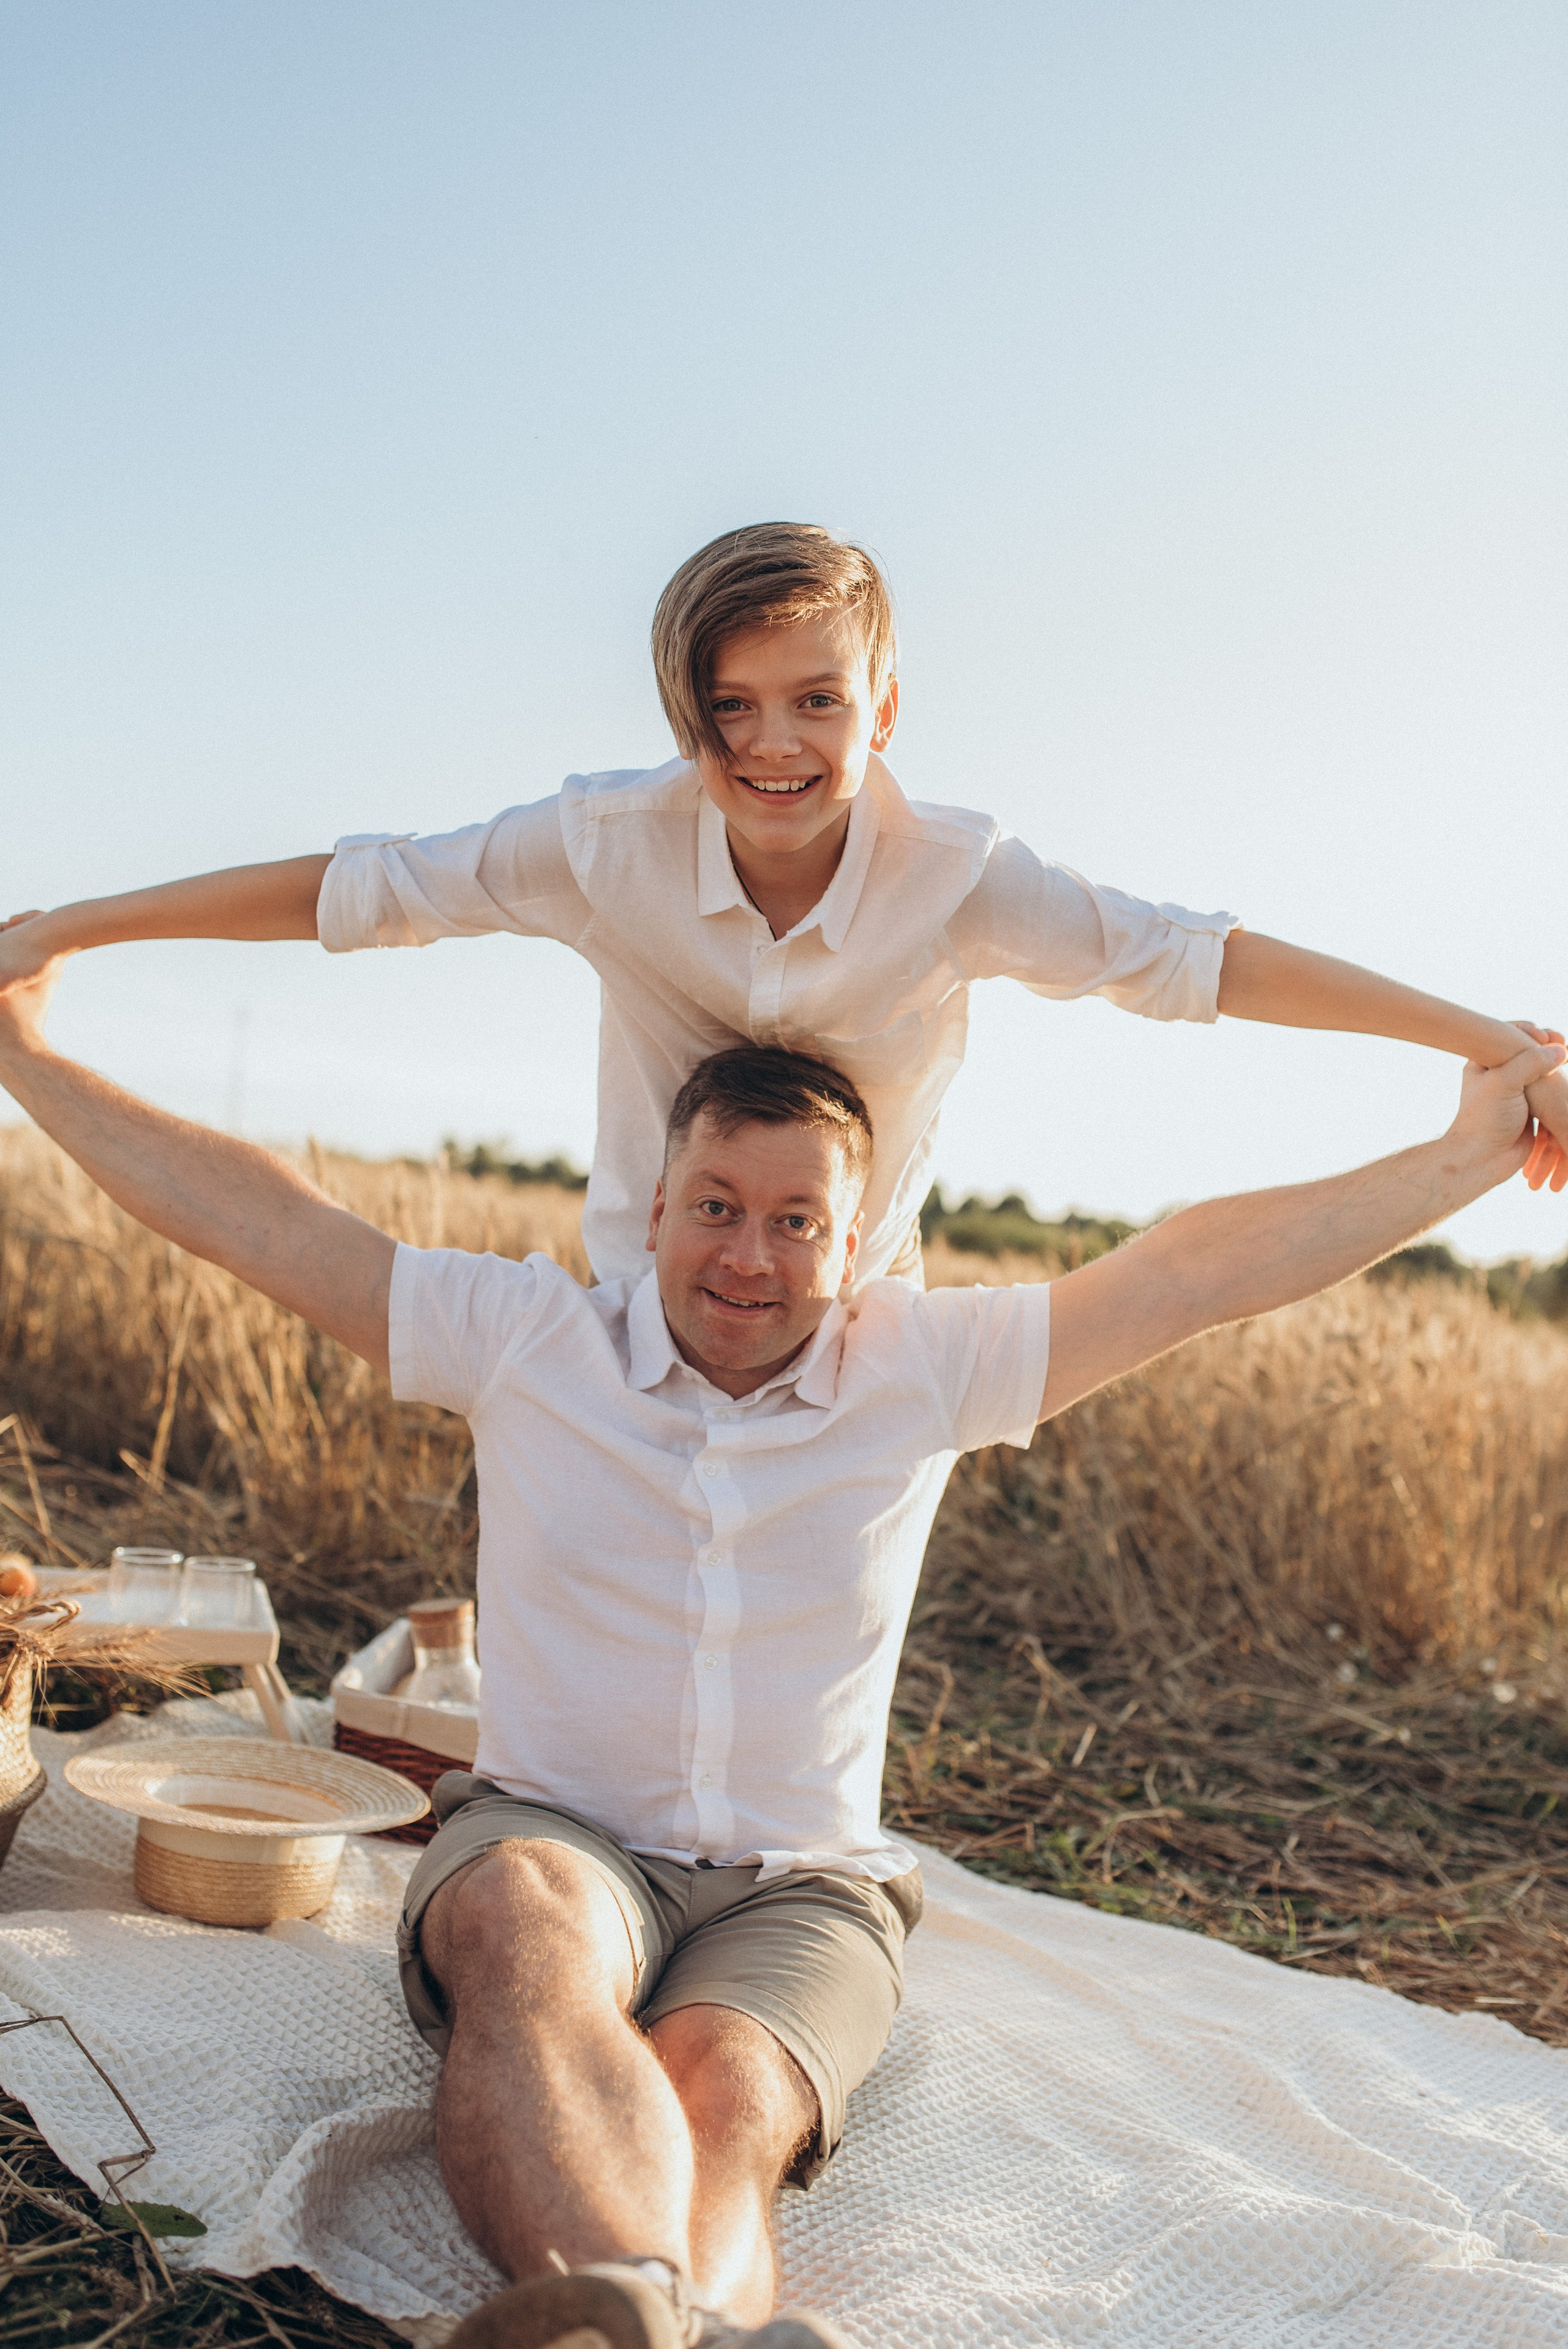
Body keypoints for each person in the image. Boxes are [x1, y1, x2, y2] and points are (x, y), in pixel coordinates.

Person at [0, 949, 1558, 2347]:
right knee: (529, 1943)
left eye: (796, 1220)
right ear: (654, 1208)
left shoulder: (925, 1370)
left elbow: (1199, 1270)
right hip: (558, 1832)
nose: (749, 1256)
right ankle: (651, 2319)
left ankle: (640, 2327)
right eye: (717, 1209)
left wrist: (1468, 1149)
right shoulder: (530, 1342)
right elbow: (261, 1216)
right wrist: (24, 1054)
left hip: (806, 1882)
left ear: (854, 1234)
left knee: (724, 2095)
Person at [2, 523, 1562, 1292]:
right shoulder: (599, 842)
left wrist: (1489, 1039)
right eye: (727, 706)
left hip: (852, 1317)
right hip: (636, 1297)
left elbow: (1199, 963)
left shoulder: (962, 877)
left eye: (812, 699)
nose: (769, 745)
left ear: (882, 707)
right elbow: (351, 890)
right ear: (684, 711)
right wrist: (60, 927)